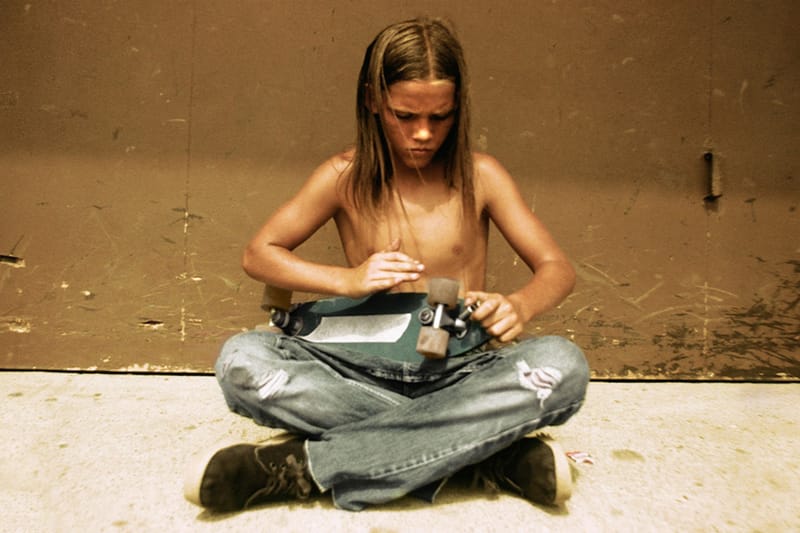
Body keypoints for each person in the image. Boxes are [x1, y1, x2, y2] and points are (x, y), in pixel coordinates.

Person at [184, 16, 589, 513]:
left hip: (460, 364)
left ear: (457, 108)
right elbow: (259, 254)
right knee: (241, 360)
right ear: (374, 101)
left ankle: (307, 468)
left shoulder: (482, 175)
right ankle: (484, 453)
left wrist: (521, 305)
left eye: (439, 118)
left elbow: (556, 267)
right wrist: (348, 280)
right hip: (356, 364)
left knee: (563, 367)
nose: (423, 133)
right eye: (405, 116)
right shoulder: (342, 176)